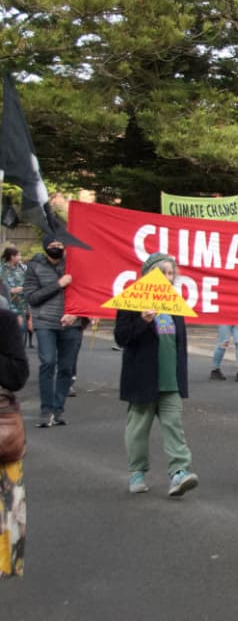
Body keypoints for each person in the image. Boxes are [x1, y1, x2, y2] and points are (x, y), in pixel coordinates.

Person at [113, 253, 199, 496]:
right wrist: (142, 320)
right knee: (138, 428)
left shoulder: (175, 304)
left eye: (171, 273)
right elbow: (121, 338)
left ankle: (179, 473)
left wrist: (181, 378)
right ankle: (137, 472)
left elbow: (178, 343)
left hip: (170, 380)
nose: (168, 278)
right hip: (142, 378)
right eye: (163, 272)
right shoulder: (132, 301)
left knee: (174, 426)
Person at [24, 234, 87, 427]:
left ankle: (58, 409)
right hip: (45, 322)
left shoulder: (76, 264)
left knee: (67, 368)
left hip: (72, 323)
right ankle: (46, 410)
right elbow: (32, 297)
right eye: (53, 245)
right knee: (48, 363)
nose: (57, 247)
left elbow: (86, 293)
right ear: (45, 247)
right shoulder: (35, 266)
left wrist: (77, 315)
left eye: (60, 244)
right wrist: (58, 284)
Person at [0, 307, 29, 578]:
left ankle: (6, 562)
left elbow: (18, 376)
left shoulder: (5, 320)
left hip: (2, 426)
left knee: (9, 504)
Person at [0, 247, 32, 348]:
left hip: (22, 303)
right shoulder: (1, 269)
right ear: (11, 257)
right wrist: (11, 290)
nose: (20, 257)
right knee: (9, 328)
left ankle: (16, 349)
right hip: (6, 303)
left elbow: (31, 282)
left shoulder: (23, 268)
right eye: (18, 255)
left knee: (21, 328)